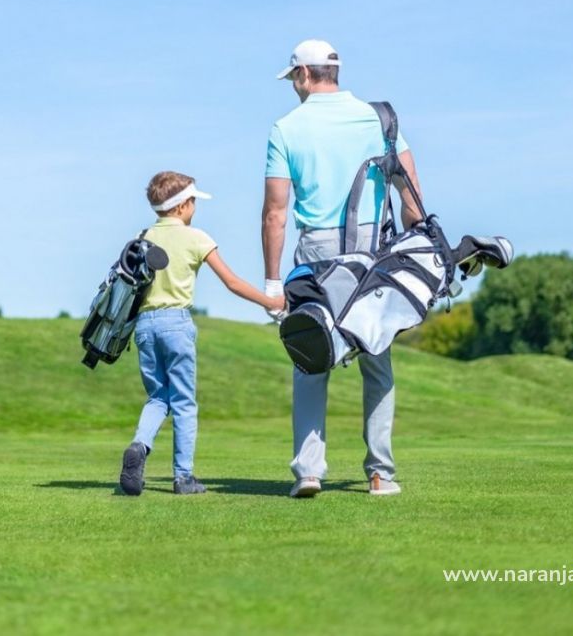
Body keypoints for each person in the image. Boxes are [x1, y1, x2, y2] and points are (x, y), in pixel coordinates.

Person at [261, 39, 425, 499]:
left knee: (311, 355)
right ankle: (380, 474)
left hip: (317, 252)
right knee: (377, 356)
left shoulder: (286, 127)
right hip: (372, 250)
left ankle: (309, 472)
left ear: (303, 75)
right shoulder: (378, 118)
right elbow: (411, 195)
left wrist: (273, 282)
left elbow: (276, 211)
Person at [119, 171, 285, 496]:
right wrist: (271, 301)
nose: (195, 207)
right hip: (176, 324)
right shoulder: (196, 238)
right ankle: (183, 478)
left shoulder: (143, 236)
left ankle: (140, 444)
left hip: (144, 326)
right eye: (193, 201)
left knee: (158, 397)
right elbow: (232, 282)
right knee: (184, 402)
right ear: (182, 205)